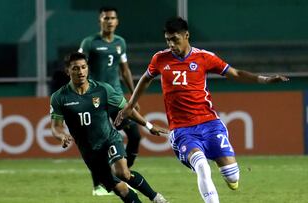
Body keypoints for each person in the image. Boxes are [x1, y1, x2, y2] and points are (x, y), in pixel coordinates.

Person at [114, 17, 289, 203]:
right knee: (202, 167)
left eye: (175, 39)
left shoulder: (204, 57)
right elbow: (146, 78)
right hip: (182, 130)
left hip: (210, 124)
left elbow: (236, 73)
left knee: (233, 177)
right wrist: (130, 105)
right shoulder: (160, 59)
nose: (171, 44)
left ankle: (230, 177)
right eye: (168, 40)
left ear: (186, 35)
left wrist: (266, 79)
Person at [50, 52, 169, 203]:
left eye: (83, 67)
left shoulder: (103, 89)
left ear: (88, 69)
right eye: (75, 68)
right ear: (68, 71)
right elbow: (56, 127)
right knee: (122, 190)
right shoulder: (59, 97)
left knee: (123, 173)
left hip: (109, 140)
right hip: (90, 152)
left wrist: (148, 125)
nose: (80, 72)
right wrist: (62, 136)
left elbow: (127, 109)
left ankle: (156, 198)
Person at [78, 6, 143, 195]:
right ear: (100, 21)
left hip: (115, 97)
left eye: (112, 18)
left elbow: (125, 70)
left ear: (117, 21)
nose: (109, 21)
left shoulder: (120, 43)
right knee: (97, 143)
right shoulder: (89, 43)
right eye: (106, 18)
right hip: (94, 99)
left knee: (135, 135)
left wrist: (133, 95)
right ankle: (98, 185)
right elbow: (78, 66)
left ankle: (124, 173)